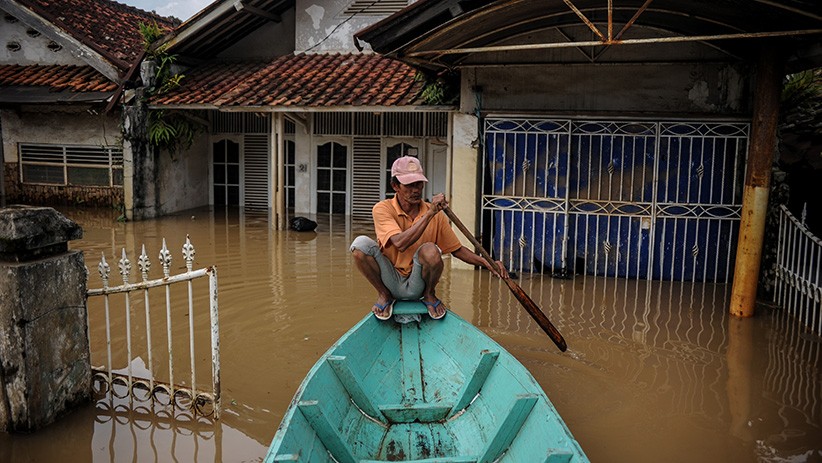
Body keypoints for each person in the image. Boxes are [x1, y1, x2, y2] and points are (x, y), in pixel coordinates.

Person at [350, 156, 508, 320]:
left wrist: (487, 263)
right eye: (409, 185)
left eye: (418, 184)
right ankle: (384, 295)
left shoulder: (436, 215)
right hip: (390, 280)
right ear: (395, 186)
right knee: (359, 245)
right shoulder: (383, 208)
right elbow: (400, 243)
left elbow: (457, 250)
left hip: (417, 284)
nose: (415, 190)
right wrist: (430, 213)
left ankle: (429, 295)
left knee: (431, 250)